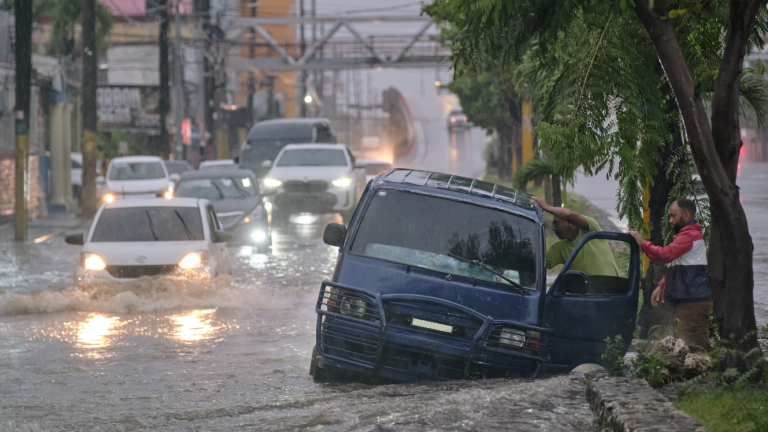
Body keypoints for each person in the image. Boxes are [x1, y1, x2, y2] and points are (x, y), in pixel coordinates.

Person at [629, 198, 712, 352]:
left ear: (686, 215)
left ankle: (712, 374)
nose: (670, 220)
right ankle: (705, 373)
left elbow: (666, 254)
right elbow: (679, 265)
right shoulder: (686, 235)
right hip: (688, 301)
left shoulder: (689, 236)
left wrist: (642, 243)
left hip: (692, 302)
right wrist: (662, 285)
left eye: (673, 216)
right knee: (691, 346)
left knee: (697, 347)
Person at [531, 196, 620, 277]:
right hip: (589, 294)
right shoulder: (559, 249)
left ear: (571, 223)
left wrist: (547, 208)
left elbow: (570, 215)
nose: (554, 228)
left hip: (614, 291)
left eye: (556, 223)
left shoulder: (591, 229)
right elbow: (538, 263)